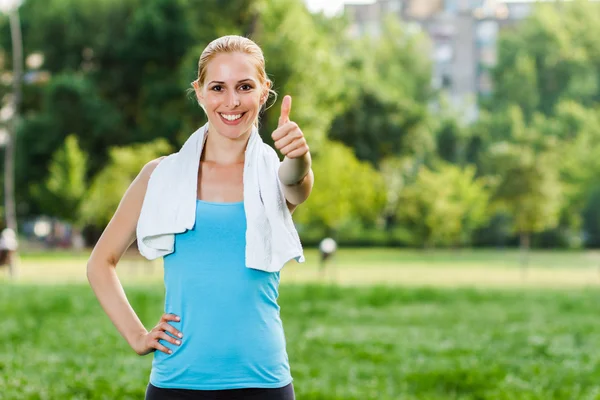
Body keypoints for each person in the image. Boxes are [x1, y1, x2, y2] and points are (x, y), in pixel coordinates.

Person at [86, 35, 314, 400]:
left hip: (263, 381)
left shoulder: (274, 173)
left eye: (244, 86)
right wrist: (137, 335)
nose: (232, 101)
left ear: (264, 90)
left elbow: (296, 184)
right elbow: (100, 263)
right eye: (218, 87)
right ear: (200, 92)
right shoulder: (159, 176)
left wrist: (298, 155)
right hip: (177, 382)